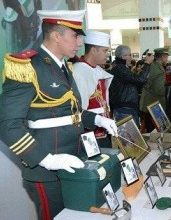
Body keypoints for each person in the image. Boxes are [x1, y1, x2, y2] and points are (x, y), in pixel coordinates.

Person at [0, 10, 118, 220]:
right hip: (47, 170)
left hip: (74, 159)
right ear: (56, 35)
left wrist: (97, 119)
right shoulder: (28, 67)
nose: (80, 43)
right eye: (75, 36)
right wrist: (46, 159)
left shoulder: (64, 67)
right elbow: (8, 125)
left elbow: (70, 111)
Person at [72, 30, 114, 148]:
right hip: (88, 133)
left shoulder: (98, 70)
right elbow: (78, 108)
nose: (107, 55)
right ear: (94, 50)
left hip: (103, 129)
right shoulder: (78, 71)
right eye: (105, 51)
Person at [109, 45, 154, 127]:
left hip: (127, 108)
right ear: (123, 56)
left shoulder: (122, 68)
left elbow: (136, 82)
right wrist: (147, 64)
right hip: (124, 109)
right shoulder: (120, 69)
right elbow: (140, 80)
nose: (131, 57)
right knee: (130, 138)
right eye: (129, 55)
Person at [140, 47, 169, 132]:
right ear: (162, 57)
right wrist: (168, 92)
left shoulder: (153, 66)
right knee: (155, 132)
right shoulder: (159, 69)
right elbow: (159, 90)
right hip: (154, 105)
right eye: (166, 57)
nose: (167, 59)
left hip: (148, 103)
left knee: (149, 128)